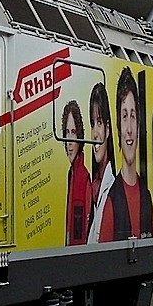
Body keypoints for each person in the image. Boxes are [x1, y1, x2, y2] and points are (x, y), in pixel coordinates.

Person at [96, 66, 153, 242]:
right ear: (118, 127)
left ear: (138, 126)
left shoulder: (146, 197)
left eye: (133, 116)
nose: (129, 129)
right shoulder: (111, 201)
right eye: (124, 117)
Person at [86, 81, 115, 244]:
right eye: (92, 124)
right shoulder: (94, 186)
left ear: (108, 128)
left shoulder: (114, 188)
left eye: (99, 122)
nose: (95, 134)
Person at [62, 100, 92, 245]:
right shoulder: (72, 173)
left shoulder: (82, 177)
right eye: (66, 133)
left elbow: (79, 232)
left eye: (73, 133)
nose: (69, 141)